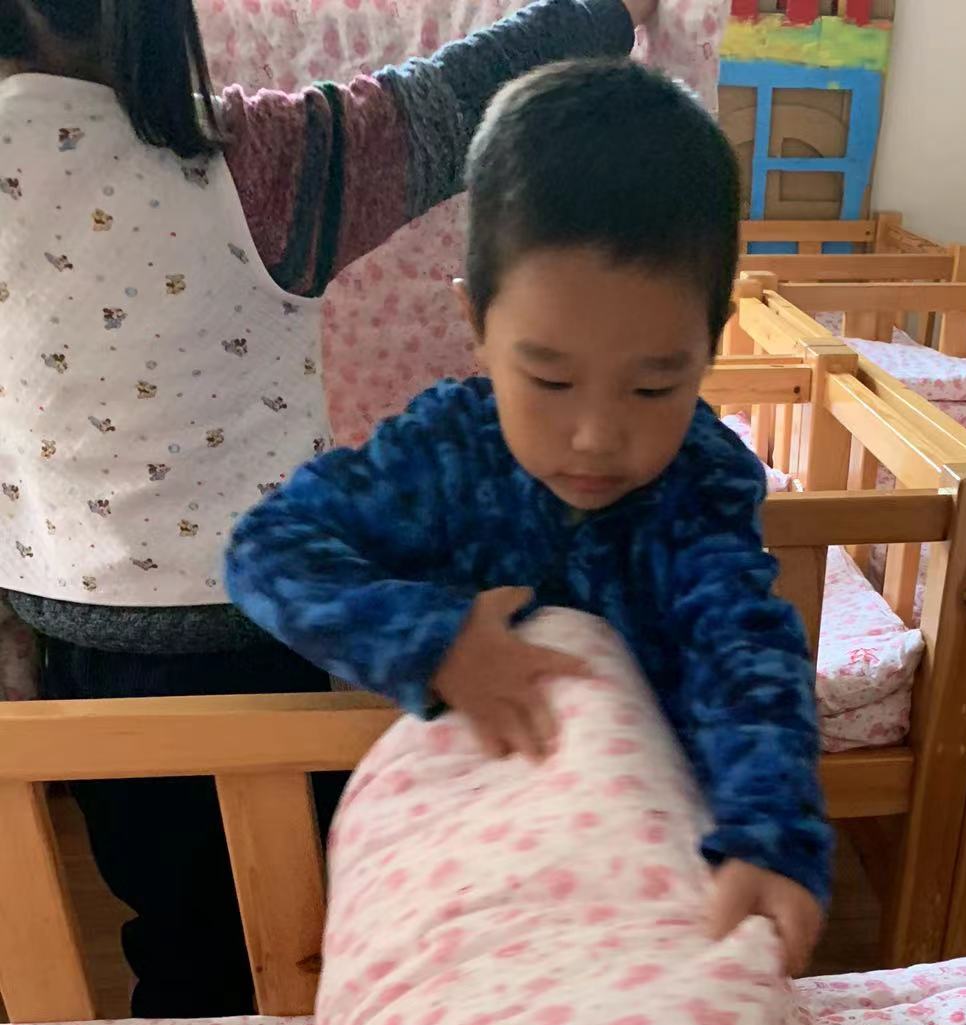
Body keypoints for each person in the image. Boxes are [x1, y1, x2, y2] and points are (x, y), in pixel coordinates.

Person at [0, 0, 652, 1018]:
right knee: (322, 912)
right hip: (272, 627)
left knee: (171, 926)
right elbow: (457, 99)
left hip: (79, 639)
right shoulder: (257, 163)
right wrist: (606, 14)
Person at [226, 60, 832, 976]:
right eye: (548, 379)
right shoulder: (441, 453)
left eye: (654, 386)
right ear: (476, 325)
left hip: (640, 859)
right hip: (465, 864)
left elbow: (742, 654)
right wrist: (433, 641)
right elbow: (266, 550)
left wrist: (771, 832)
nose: (596, 436)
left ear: (710, 346)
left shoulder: (699, 482)